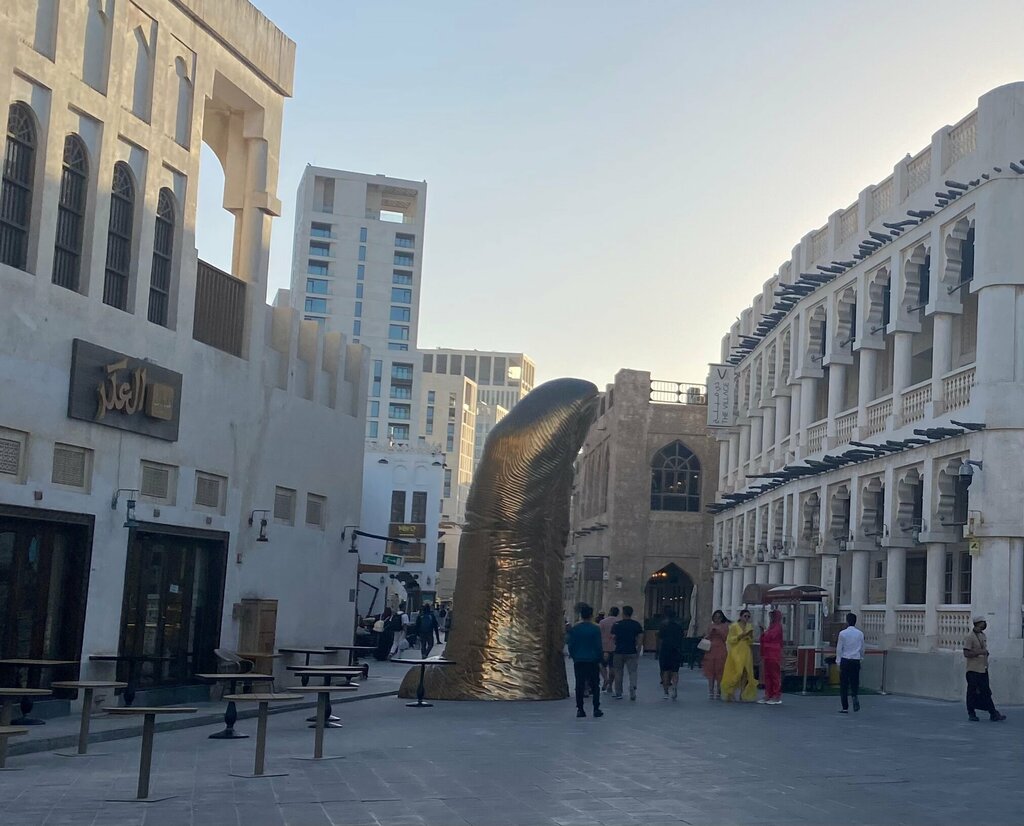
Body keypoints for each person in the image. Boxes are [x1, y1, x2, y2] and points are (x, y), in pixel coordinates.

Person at [963, 615, 1006, 722]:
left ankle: (993, 713)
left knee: (986, 692)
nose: (985, 624)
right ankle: (971, 713)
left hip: (983, 669)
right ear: (978, 623)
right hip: (973, 670)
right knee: (972, 692)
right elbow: (966, 653)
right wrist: (980, 652)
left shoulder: (982, 635)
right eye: (983, 622)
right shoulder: (970, 637)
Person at [566, 604, 604, 718]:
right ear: (591, 615)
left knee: (579, 684)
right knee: (595, 684)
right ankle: (596, 708)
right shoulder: (595, 629)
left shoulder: (576, 629)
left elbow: (571, 644)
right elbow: (598, 645)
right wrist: (599, 657)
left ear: (581, 615)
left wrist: (574, 655)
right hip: (592, 660)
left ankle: (580, 709)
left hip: (579, 660)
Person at [720, 609, 757, 702]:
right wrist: (740, 636)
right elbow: (730, 639)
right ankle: (730, 691)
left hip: (746, 650)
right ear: (741, 616)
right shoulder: (734, 626)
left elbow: (751, 640)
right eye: (745, 616)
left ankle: (742, 693)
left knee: (746, 671)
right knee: (737, 671)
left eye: (748, 616)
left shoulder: (749, 626)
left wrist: (750, 637)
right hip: (736, 650)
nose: (747, 618)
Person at [611, 605, 644, 700]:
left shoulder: (617, 624)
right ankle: (632, 688)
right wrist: (638, 651)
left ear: (623, 613)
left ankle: (618, 692)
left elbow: (613, 638)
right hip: (631, 651)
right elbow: (640, 640)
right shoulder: (636, 625)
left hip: (618, 651)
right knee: (632, 672)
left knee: (618, 672)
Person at [836, 612, 865, 713]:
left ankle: (845, 707)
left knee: (844, 684)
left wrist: (838, 661)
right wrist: (861, 657)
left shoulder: (842, 633)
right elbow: (862, 648)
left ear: (847, 621)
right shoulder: (860, 634)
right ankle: (854, 695)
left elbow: (839, 648)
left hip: (845, 659)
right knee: (854, 681)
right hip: (855, 660)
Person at [657, 607, 685, 700]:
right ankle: (675, 687)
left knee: (665, 671)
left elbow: (660, 639)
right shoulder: (679, 626)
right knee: (675, 671)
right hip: (676, 650)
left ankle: (666, 692)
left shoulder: (663, 626)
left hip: (665, 650)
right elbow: (681, 638)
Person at [702, 610, 730, 700]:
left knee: (720, 670)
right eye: (715, 617)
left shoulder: (725, 626)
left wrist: (719, 631)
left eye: (719, 617)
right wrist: (710, 633)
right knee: (710, 670)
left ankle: (718, 690)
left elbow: (725, 638)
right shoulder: (710, 626)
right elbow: (707, 637)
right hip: (710, 649)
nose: (717, 619)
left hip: (721, 649)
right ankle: (710, 690)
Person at [758, 610, 784, 705]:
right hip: (768, 653)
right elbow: (764, 638)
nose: (771, 618)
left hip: (774, 654)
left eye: (773, 616)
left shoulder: (777, 627)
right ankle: (768, 694)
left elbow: (769, 637)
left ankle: (776, 695)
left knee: (774, 675)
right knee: (768, 675)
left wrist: (764, 631)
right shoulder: (771, 626)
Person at [598, 606, 620, 692]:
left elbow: (599, 634)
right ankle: (610, 685)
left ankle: (605, 678)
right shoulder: (619, 622)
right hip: (615, 647)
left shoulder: (602, 622)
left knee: (602, 664)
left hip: (604, 646)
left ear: (610, 612)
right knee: (612, 667)